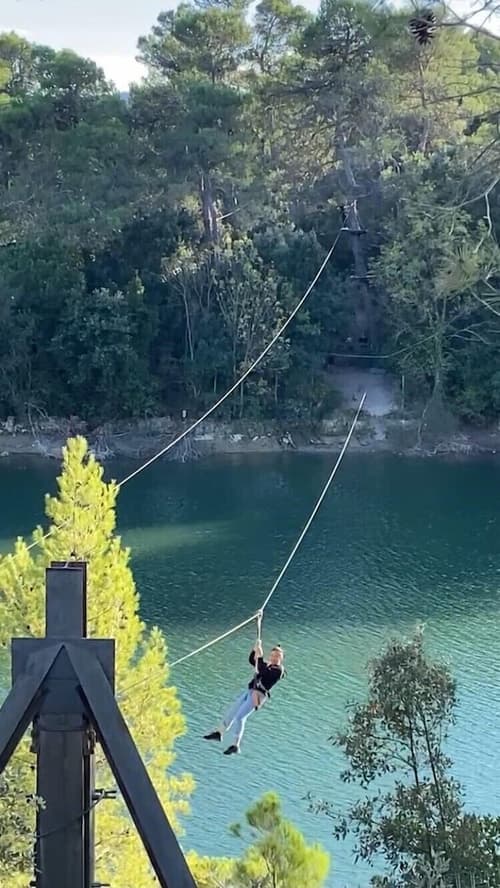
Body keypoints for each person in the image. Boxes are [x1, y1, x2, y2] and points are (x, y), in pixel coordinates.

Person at [203, 640, 285, 755]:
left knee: (240, 717)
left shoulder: (278, 671)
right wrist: (255, 649)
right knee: (232, 712)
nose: (274, 658)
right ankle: (219, 732)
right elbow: (253, 660)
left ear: (281, 658)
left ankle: (236, 745)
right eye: (272, 655)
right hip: (250, 691)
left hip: (258, 694)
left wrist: (260, 656)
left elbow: (263, 670)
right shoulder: (267, 665)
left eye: (277, 656)